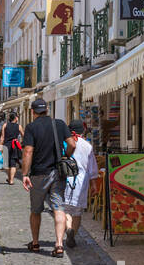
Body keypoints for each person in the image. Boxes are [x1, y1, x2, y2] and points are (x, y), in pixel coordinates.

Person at [21, 98, 70, 256]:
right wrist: (65, 157)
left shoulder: (31, 127)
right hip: (57, 173)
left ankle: (35, 243)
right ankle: (59, 244)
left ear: (32, 112)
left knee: (36, 210)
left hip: (38, 174)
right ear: (47, 110)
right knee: (58, 208)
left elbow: (28, 151)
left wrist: (24, 174)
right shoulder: (60, 124)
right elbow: (72, 144)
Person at [60, 118, 99, 249]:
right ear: (82, 131)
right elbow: (92, 168)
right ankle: (73, 234)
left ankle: (68, 228)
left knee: (66, 209)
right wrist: (94, 185)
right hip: (81, 182)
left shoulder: (64, 143)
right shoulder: (87, 146)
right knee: (77, 212)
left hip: (66, 179)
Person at [0, 111, 22, 185]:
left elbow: (2, 137)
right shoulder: (19, 126)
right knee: (13, 163)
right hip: (14, 145)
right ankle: (11, 180)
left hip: (6, 146)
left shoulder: (5, 125)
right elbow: (24, 135)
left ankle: (9, 178)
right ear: (15, 118)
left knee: (7, 164)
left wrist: (0, 146)